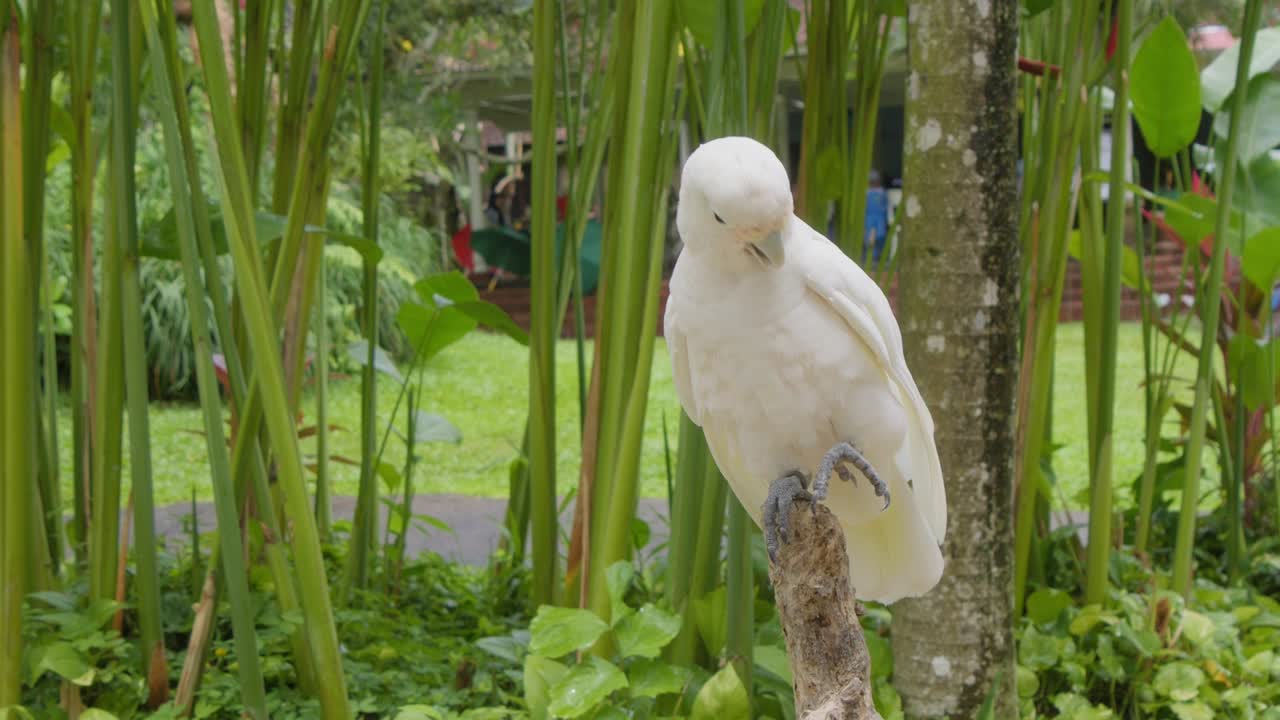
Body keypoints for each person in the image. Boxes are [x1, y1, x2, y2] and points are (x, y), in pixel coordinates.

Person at [864, 170, 889, 267]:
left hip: (880, 217)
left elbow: (885, 205)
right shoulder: (866, 192)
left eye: (876, 180)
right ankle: (871, 257)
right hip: (869, 216)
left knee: (880, 236)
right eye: (872, 181)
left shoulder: (882, 192)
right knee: (869, 236)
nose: (874, 182)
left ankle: (881, 256)